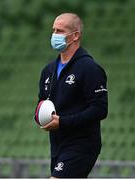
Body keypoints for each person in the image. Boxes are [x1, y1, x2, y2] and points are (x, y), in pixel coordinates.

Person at [35, 12, 108, 178]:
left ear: (75, 36)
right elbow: (42, 101)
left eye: (60, 31)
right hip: (57, 144)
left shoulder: (89, 68)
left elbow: (100, 110)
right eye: (53, 30)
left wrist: (63, 122)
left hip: (82, 144)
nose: (54, 35)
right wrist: (39, 116)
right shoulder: (48, 70)